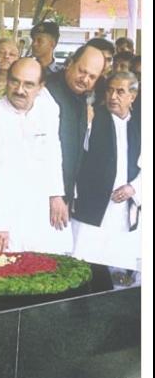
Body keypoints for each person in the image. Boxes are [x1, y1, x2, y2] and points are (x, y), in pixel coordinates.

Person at [0, 59, 72, 254]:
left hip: (41, 207)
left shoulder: (49, 109)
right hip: (7, 211)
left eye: (28, 85)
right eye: (14, 82)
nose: (20, 90)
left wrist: (56, 194)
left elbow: (53, 153)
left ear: (41, 87)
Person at [72, 72, 141, 277]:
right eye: (110, 90)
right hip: (91, 206)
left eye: (120, 92)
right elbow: (77, 157)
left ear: (132, 96)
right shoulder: (93, 117)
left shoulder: (141, 125)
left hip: (124, 208)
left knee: (118, 273)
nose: (113, 96)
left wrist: (134, 187)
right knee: (83, 265)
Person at [45, 44, 105, 209]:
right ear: (70, 63)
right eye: (82, 71)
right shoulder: (47, 93)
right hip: (47, 197)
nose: (85, 79)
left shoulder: (80, 98)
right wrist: (55, 194)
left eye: (92, 77)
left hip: (63, 198)